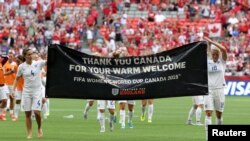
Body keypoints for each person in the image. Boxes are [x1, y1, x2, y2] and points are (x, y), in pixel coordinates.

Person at [12, 48, 46, 139]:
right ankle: (30, 133)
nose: (31, 56)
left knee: (37, 112)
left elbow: (48, 61)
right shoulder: (21, 67)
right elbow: (17, 78)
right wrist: (13, 89)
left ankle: (39, 128)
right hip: (26, 92)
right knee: (27, 114)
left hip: (37, 91)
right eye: (29, 54)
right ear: (25, 56)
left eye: (32, 54)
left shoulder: (38, 63)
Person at [203, 37, 227, 141]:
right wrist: (208, 45)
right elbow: (208, 52)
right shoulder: (207, 62)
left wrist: (211, 42)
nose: (215, 56)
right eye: (213, 54)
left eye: (217, 54)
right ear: (211, 54)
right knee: (208, 113)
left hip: (220, 90)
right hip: (209, 90)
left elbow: (224, 49)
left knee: (219, 115)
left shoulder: (222, 61)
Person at [3, 51, 17, 120]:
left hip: (13, 84)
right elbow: (3, 73)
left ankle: (11, 113)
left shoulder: (15, 64)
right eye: (9, 56)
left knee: (12, 99)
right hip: (5, 83)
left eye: (11, 56)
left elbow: (17, 73)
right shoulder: (5, 64)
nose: (10, 57)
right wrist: (8, 73)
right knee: (5, 98)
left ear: (13, 57)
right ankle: (4, 113)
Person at [13, 55, 24, 121]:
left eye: (18, 59)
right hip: (19, 87)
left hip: (26, 87)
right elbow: (16, 77)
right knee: (18, 101)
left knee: (29, 102)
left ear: (21, 60)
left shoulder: (25, 66)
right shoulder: (15, 66)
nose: (16, 60)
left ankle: (33, 115)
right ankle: (15, 116)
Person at [0, 54, 8, 120]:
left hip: (2, 86)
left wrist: (2, 56)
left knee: (4, 101)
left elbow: (6, 58)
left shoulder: (1, 63)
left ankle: (0, 114)